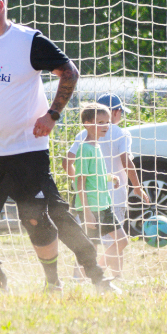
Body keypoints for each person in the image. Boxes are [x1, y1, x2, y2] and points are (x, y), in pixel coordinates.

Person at [0, 0, 113, 293]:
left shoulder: (27, 41)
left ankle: (83, 278)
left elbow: (69, 71)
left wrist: (52, 115)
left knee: (40, 218)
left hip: (26, 150)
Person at [63, 93, 148, 266]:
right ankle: (108, 276)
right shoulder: (119, 134)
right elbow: (126, 161)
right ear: (115, 112)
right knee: (112, 242)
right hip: (105, 200)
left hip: (94, 199)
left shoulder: (87, 137)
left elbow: (67, 162)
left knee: (91, 243)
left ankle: (88, 275)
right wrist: (137, 187)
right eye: (121, 112)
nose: (119, 117)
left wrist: (79, 179)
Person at [68, 103, 129, 278]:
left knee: (122, 241)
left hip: (104, 205)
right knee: (89, 247)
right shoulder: (85, 149)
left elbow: (97, 173)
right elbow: (81, 182)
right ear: (87, 123)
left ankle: (95, 271)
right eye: (101, 122)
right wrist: (86, 212)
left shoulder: (97, 146)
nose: (106, 126)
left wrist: (112, 177)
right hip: (91, 207)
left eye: (107, 122)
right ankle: (78, 279)